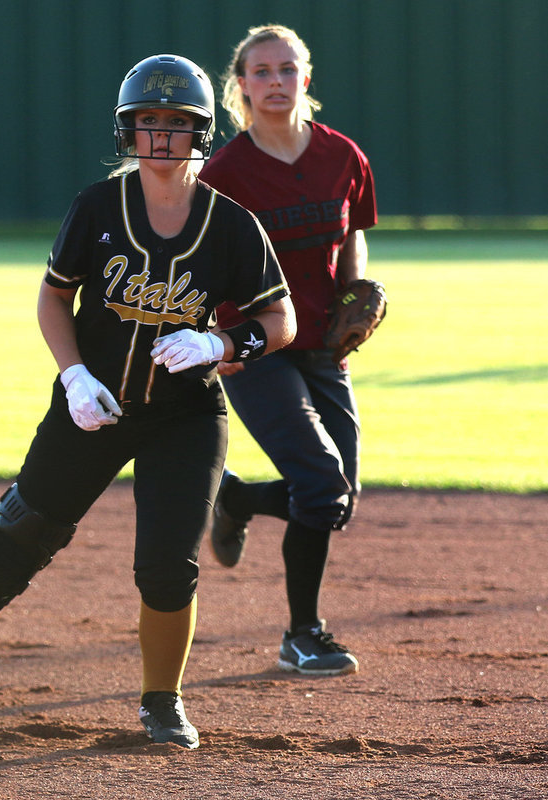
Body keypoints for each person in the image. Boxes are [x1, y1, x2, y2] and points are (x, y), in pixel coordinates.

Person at [0, 53, 295, 750]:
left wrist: (221, 345)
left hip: (185, 415)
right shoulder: (97, 206)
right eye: (147, 121)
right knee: (13, 545)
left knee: (167, 565)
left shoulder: (232, 225)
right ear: (127, 129)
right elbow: (54, 296)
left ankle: (162, 703)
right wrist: (72, 375)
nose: (160, 136)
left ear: (200, 132)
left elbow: (280, 319)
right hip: (92, 406)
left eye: (176, 123)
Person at [198, 25, 378, 676]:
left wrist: (354, 295)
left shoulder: (341, 156)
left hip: (323, 343)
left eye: (285, 69)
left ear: (306, 77)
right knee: (317, 481)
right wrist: (221, 341)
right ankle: (303, 633)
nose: (274, 82)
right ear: (240, 85)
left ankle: (238, 500)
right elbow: (202, 267)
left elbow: (352, 234)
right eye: (260, 71)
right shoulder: (224, 173)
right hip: (254, 345)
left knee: (336, 496)